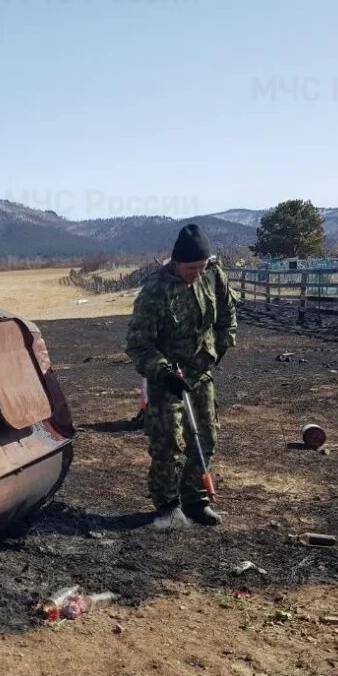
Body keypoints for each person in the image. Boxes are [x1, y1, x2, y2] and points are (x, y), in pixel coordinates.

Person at [124, 224, 237, 529]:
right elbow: (139, 344)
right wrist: (163, 372)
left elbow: (228, 316)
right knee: (166, 443)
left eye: (201, 266)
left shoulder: (214, 275)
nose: (196, 273)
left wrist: (221, 346)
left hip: (201, 372)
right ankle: (167, 504)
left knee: (206, 437)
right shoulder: (155, 290)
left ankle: (195, 499)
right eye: (190, 268)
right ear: (176, 263)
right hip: (167, 378)